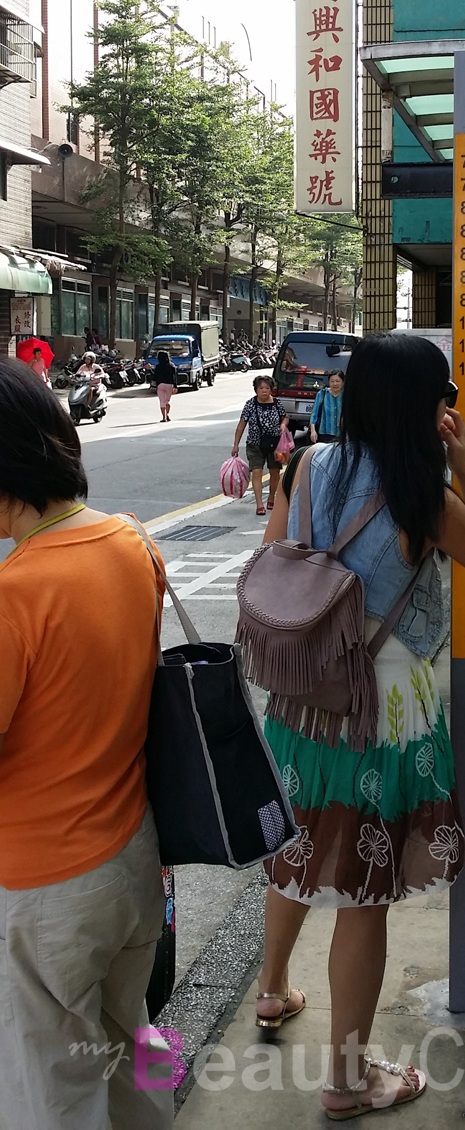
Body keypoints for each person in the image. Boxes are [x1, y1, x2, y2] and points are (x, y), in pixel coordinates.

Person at [256, 332, 465, 1117]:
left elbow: (274, 563)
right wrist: (464, 463)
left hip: (303, 704)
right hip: (383, 712)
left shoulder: (306, 466)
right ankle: (345, 1079)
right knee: (364, 894)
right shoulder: (423, 495)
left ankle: (270, 990)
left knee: (301, 845)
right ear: (425, 408)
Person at [0, 359, 171, 1130]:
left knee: (53, 1093)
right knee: (131, 1046)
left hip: (42, 890)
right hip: (131, 858)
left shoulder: (17, 594)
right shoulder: (131, 543)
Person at [231, 374, 290, 516]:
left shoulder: (276, 403)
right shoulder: (250, 404)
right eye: (261, 388)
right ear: (256, 390)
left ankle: (271, 498)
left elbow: (285, 416)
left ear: (271, 390)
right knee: (256, 472)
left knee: (274, 472)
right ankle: (259, 504)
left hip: (274, 444)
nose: (264, 390)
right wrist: (236, 445)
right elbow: (241, 425)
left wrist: (283, 425)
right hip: (254, 444)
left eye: (267, 388)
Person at [310, 369, 344, 443]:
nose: (335, 384)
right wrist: (313, 431)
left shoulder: (346, 396)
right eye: (332, 381)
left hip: (341, 433)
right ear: (329, 382)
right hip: (324, 433)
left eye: (337, 381)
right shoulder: (322, 394)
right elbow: (314, 414)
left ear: (342, 382)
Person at [153, 347, 178, 423]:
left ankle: (164, 417)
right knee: (167, 401)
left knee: (162, 401)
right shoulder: (172, 366)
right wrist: (175, 386)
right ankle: (167, 415)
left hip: (160, 385)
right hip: (169, 385)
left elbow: (155, 377)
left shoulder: (158, 367)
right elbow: (175, 377)